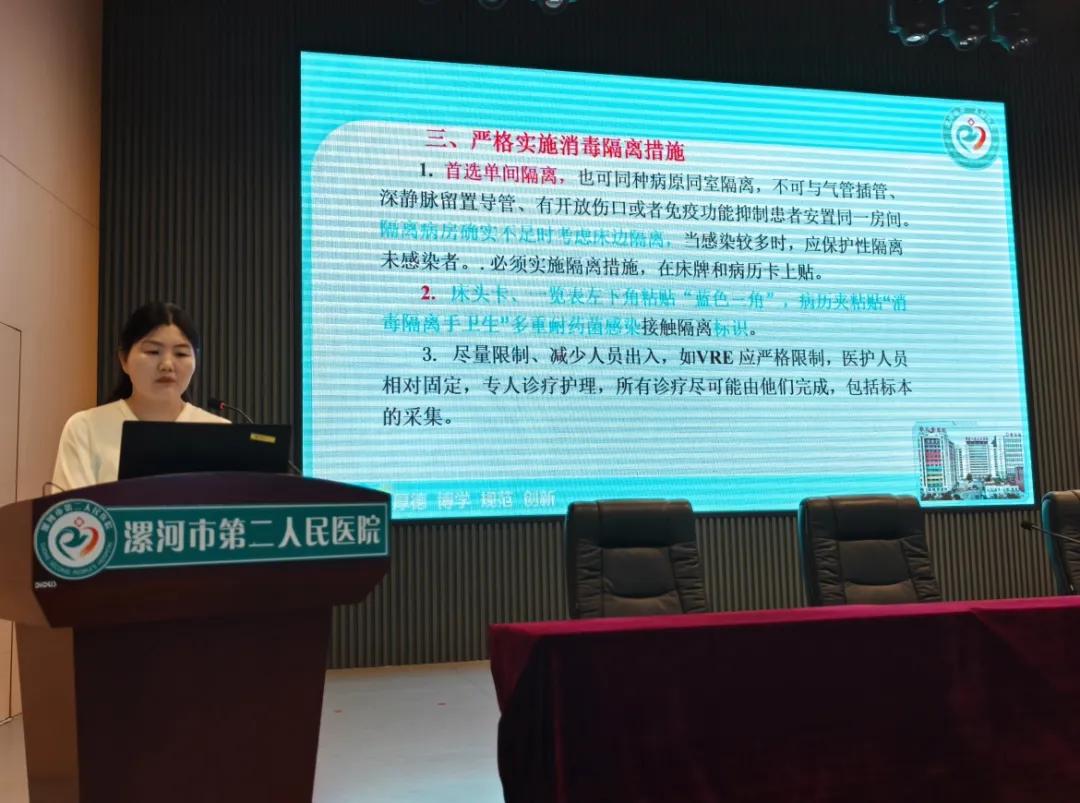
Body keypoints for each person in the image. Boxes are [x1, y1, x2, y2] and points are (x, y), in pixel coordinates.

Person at [51, 301, 229, 490]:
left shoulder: (221, 434)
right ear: (124, 359)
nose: (167, 365)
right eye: (153, 351)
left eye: (181, 353)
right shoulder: (85, 428)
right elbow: (72, 507)